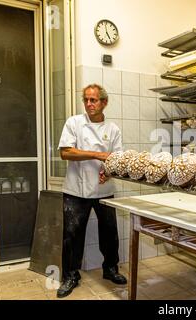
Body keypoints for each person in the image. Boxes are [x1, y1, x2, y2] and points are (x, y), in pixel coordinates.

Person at [56, 84, 127, 298]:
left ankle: (110, 269)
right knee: (72, 235)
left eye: (93, 100)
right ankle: (70, 276)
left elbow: (118, 159)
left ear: (104, 102)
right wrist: (97, 155)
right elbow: (66, 152)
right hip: (76, 190)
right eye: (86, 100)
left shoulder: (113, 129)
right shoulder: (74, 123)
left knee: (109, 232)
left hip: (104, 189)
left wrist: (110, 171)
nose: (89, 104)